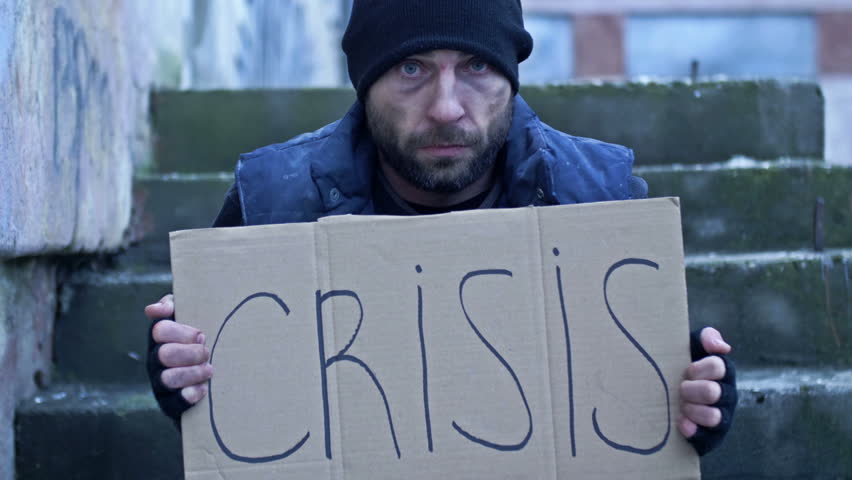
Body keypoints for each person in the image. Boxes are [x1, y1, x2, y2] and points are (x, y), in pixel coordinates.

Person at [145, 0, 737, 457]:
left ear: (510, 77)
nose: (447, 107)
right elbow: (242, 428)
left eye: (476, 66)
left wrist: (696, 403)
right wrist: (186, 379)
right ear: (366, 83)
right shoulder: (271, 203)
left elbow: (650, 401)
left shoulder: (600, 199)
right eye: (412, 68)